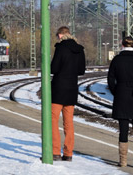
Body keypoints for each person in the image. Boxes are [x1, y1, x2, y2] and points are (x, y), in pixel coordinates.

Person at [108, 36, 133, 169]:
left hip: (122, 96)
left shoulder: (117, 60)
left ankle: (123, 160)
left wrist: (117, 91)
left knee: (123, 130)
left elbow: (110, 79)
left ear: (122, 44)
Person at [50, 25, 86, 162]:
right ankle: (68, 153)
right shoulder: (79, 49)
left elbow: (54, 68)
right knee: (68, 123)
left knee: (53, 121)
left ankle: (55, 152)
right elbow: (81, 70)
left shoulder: (60, 48)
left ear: (60, 35)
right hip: (72, 88)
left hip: (59, 88)